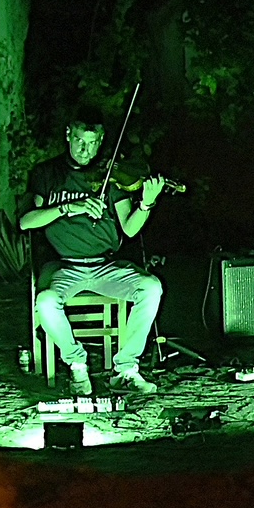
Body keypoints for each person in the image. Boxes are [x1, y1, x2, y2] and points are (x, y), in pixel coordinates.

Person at [20, 120, 167, 396]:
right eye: (79, 140)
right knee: (46, 302)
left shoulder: (110, 175)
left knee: (151, 287)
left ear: (100, 142)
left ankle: (126, 369)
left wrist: (146, 203)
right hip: (65, 267)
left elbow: (130, 228)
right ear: (68, 135)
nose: (84, 150)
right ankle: (77, 364)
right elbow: (26, 222)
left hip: (105, 265)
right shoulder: (48, 173)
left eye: (91, 143)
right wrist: (68, 208)